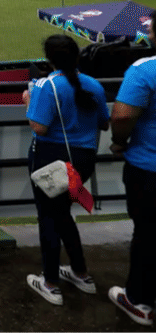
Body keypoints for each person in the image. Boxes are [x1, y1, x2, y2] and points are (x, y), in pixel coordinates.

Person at [22, 34, 109, 306]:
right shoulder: (93, 85)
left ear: (49, 59)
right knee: (62, 215)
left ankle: (50, 283)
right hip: (83, 161)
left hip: (51, 159)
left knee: (49, 216)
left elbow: (39, 127)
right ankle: (80, 273)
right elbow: (104, 124)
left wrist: (28, 101)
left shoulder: (48, 85)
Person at [110, 25, 156, 326]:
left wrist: (119, 141)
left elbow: (123, 115)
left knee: (149, 234)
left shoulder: (145, 69)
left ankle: (138, 300)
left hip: (148, 169)